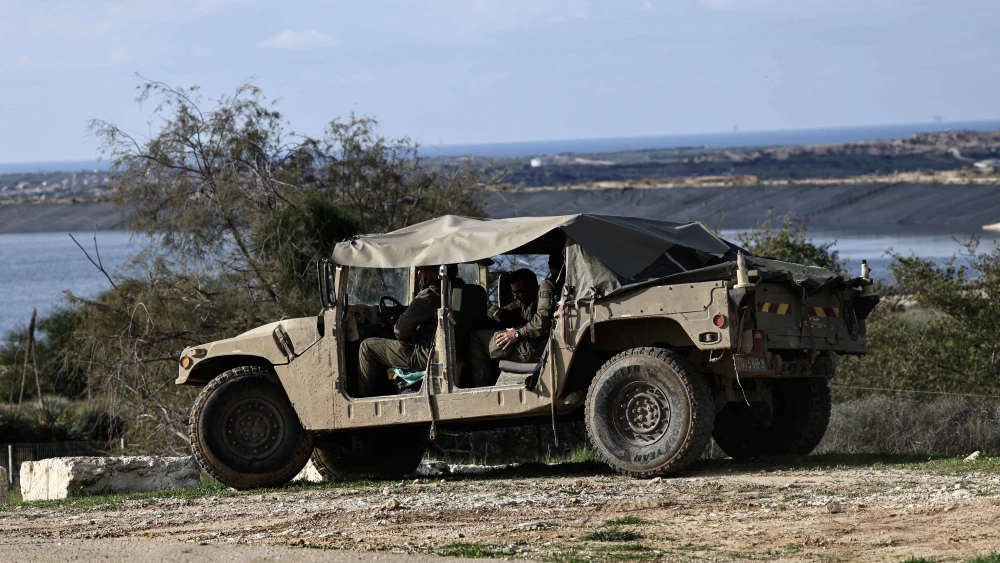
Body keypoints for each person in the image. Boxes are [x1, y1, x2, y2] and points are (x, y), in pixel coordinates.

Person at [356, 264, 458, 397]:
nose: (418, 275)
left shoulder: (428, 296)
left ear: (434, 274)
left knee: (367, 347)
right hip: (451, 350)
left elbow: (400, 331)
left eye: (421, 271)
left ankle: (364, 400)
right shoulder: (457, 292)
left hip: (427, 354)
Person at [469, 268, 555, 387]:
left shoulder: (543, 290)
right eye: (513, 293)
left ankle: (480, 385)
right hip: (533, 346)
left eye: (519, 292)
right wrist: (490, 309)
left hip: (537, 347)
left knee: (476, 338)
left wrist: (516, 334)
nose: (515, 297)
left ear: (531, 287)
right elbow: (506, 312)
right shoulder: (524, 302)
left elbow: (540, 323)